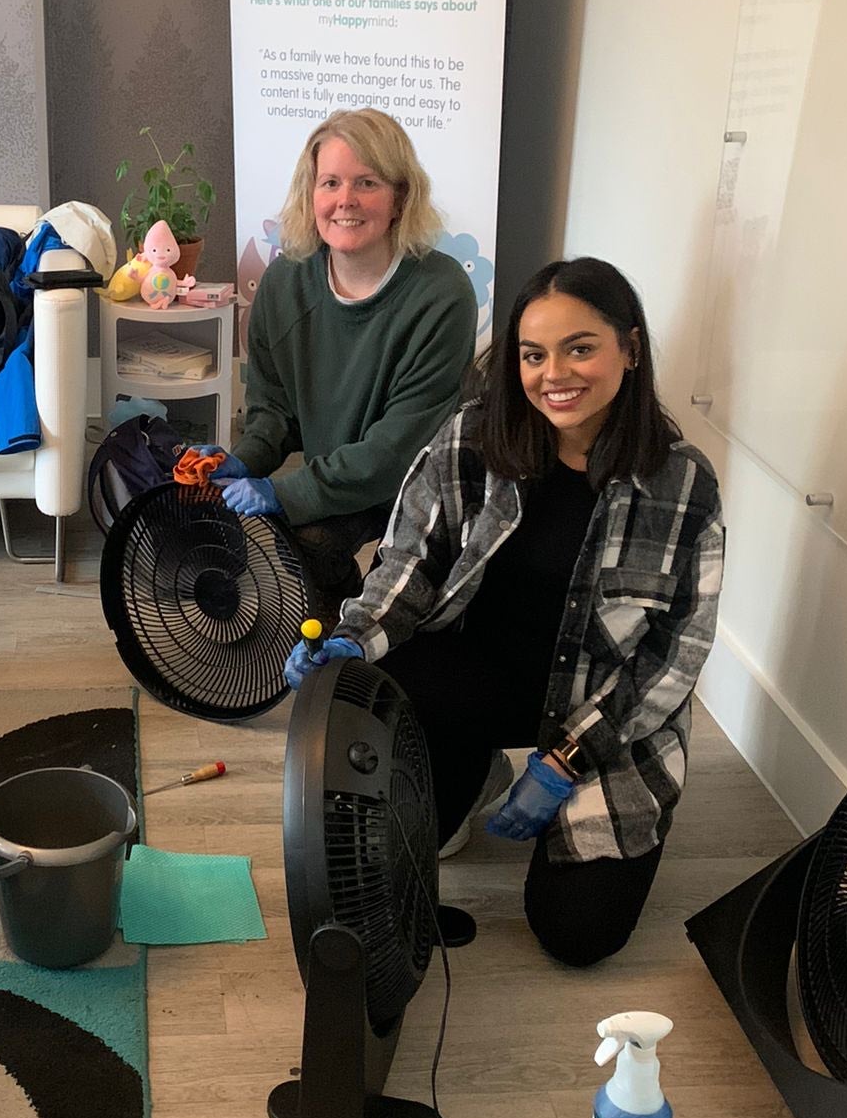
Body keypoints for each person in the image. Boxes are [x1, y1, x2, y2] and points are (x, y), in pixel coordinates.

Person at [285, 257, 724, 969]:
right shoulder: (471, 440)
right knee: (385, 715)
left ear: (630, 350)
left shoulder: (683, 484)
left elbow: (678, 650)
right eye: (533, 354)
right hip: (484, 673)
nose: (555, 373)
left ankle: (534, 789)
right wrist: (351, 639)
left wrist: (566, 761)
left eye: (580, 347)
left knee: (578, 936)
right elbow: (410, 563)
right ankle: (467, 767)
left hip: (603, 709)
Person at [192, 108, 477, 619]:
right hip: (342, 475)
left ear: (400, 198)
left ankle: (363, 634)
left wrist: (284, 491)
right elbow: (273, 408)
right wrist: (245, 459)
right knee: (306, 547)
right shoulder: (283, 283)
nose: (345, 201)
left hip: (420, 484)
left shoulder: (443, 293)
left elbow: (396, 452)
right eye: (331, 183)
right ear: (312, 195)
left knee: (399, 613)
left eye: (366, 182)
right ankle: (338, 632)